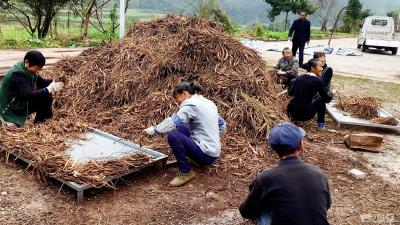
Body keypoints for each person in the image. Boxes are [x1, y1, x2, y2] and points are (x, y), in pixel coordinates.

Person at [239, 122, 331, 225]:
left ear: (273, 148)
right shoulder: (319, 174)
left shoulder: (266, 179)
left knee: (263, 207)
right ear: (300, 145)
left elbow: (246, 212)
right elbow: (327, 205)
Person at [143, 81, 226, 187]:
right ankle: (191, 156)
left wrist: (154, 130)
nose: (177, 102)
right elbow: (222, 124)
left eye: (177, 98)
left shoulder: (191, 105)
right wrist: (211, 138)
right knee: (183, 126)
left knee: (173, 136)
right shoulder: (208, 103)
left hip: (206, 155)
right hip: (213, 153)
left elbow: (173, 122)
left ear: (184, 94)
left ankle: (186, 171)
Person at [0, 51, 64, 127]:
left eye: (39, 68)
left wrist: (55, 81)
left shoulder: (27, 68)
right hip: (11, 106)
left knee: (46, 93)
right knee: (45, 97)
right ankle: (40, 125)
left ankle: (45, 119)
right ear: (27, 62)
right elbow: (26, 95)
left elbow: (41, 82)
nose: (37, 71)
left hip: (19, 100)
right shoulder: (18, 74)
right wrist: (49, 89)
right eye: (36, 68)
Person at [287, 59, 333, 129]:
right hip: (305, 114)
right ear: (312, 68)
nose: (322, 69)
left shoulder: (299, 77)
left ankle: (294, 121)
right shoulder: (317, 81)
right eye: (320, 66)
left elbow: (290, 93)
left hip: (291, 111)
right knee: (321, 100)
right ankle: (321, 124)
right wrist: (331, 94)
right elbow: (327, 99)